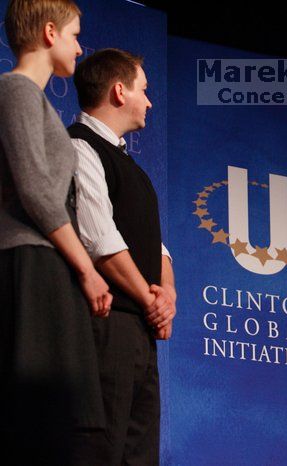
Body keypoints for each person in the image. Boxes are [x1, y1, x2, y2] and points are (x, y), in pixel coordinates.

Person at [0, 0, 113, 463]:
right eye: (74, 35)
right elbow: (35, 189)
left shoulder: (35, 100)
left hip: (51, 264)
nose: (80, 46)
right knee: (39, 423)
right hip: (30, 264)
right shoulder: (16, 90)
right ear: (50, 32)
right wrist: (87, 268)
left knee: (68, 426)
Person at [67, 48, 176, 466]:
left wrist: (167, 294)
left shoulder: (132, 167)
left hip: (140, 333)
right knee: (101, 449)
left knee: (139, 454)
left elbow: (157, 245)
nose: (149, 101)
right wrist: (153, 304)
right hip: (104, 327)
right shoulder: (78, 147)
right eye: (143, 90)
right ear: (118, 91)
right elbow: (100, 240)